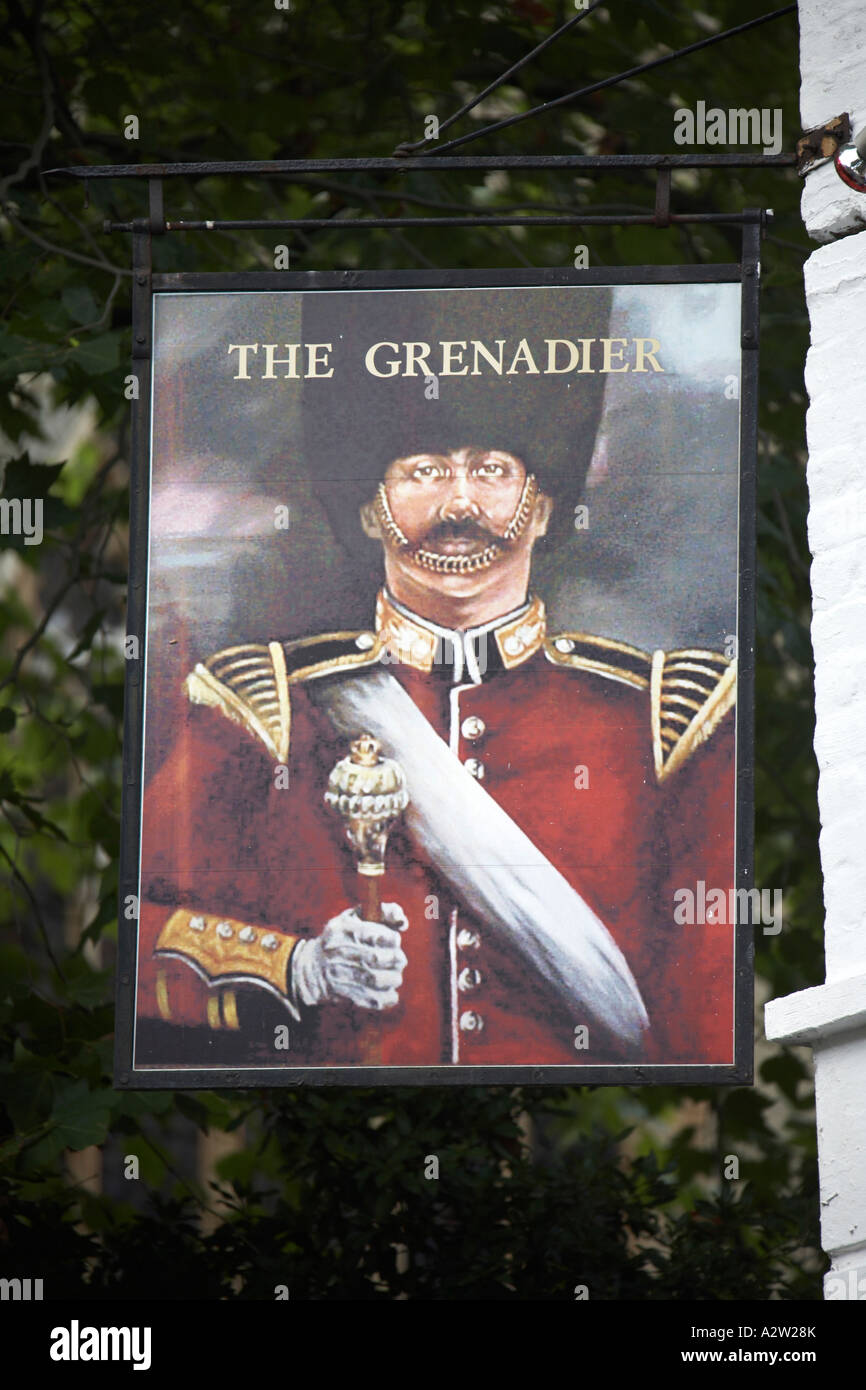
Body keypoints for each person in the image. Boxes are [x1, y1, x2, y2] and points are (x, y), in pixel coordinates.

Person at [136, 433, 736, 1071]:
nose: (458, 503)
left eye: (493, 470)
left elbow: (708, 1015)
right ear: (372, 511)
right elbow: (134, 938)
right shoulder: (268, 709)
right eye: (423, 471)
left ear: (541, 510)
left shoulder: (657, 718)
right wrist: (299, 967)